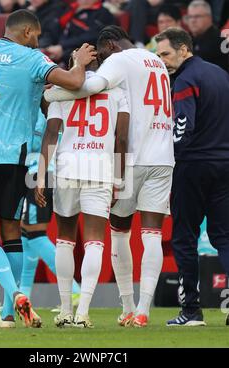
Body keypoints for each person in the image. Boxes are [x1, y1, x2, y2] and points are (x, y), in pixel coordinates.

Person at [0, 9, 96, 328]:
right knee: (11, 230)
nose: (37, 42)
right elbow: (75, 82)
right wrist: (79, 61)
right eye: (35, 36)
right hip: (12, 156)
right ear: (25, 33)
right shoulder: (33, 59)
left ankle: (14, 297)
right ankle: (8, 310)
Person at [44, 25, 174, 328]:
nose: (101, 59)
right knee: (151, 233)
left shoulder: (116, 62)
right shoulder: (155, 60)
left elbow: (86, 88)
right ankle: (141, 310)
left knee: (116, 233)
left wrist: (53, 91)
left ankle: (123, 305)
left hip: (127, 158)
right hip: (163, 155)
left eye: (102, 53)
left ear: (110, 46)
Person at [36, 57, 129, 328]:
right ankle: (84, 311)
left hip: (66, 166)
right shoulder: (117, 92)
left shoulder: (59, 95)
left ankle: (65, 309)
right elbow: (121, 138)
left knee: (64, 238)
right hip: (100, 168)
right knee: (94, 241)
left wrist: (41, 175)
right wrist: (119, 180)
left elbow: (51, 134)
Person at [156, 27, 229, 326]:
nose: (161, 60)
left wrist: (170, 158)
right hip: (224, 163)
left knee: (184, 238)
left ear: (184, 49)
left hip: (193, 166)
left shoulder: (185, 79)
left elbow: (182, 129)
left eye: (165, 54)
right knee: (224, 237)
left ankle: (191, 311)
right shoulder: (220, 75)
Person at [0, 110, 81, 327]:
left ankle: (74, 291)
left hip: (37, 175)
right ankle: (23, 296)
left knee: (34, 234)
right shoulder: (52, 112)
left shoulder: (39, 115)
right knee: (24, 236)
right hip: (46, 173)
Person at [46, 0, 115, 65]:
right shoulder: (70, 8)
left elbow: (92, 37)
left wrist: (62, 47)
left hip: (83, 53)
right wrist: (49, 45)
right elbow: (56, 29)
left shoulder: (103, 13)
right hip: (60, 48)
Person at [186, 0, 228, 71]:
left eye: (197, 16)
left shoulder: (221, 41)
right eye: (190, 17)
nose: (193, 20)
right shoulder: (186, 39)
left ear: (209, 17)